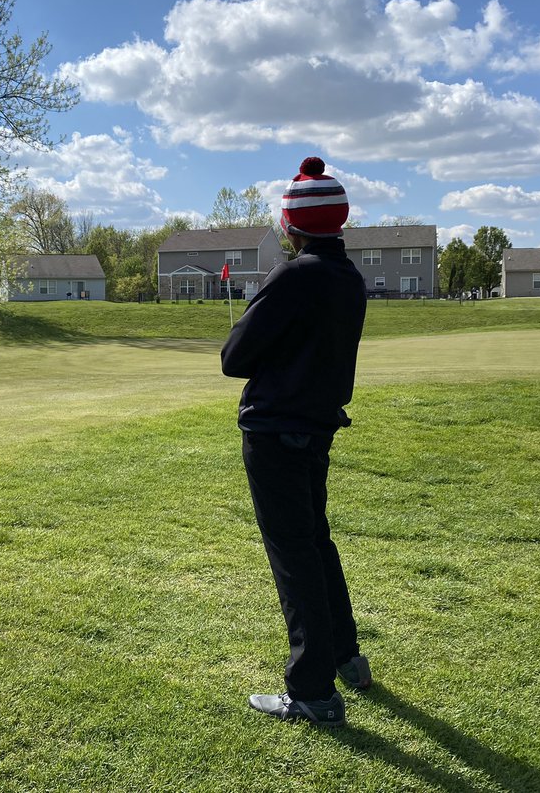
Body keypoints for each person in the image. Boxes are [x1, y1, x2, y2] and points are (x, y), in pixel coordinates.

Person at [220, 156, 370, 728]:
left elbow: (235, 359)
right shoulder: (347, 277)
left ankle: (311, 690)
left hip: (274, 431)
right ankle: (344, 657)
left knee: (294, 555)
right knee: (315, 542)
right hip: (315, 427)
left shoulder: (294, 275)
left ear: (292, 224)